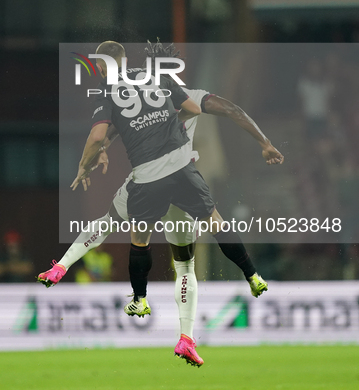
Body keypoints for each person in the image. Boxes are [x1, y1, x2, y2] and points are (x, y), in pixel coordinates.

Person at [40, 41, 282, 366]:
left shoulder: (120, 91)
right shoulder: (187, 92)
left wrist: (98, 153)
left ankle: (76, 272)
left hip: (149, 179)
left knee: (111, 221)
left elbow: (114, 128)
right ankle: (194, 330)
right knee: (187, 263)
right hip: (183, 176)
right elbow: (229, 110)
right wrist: (264, 143)